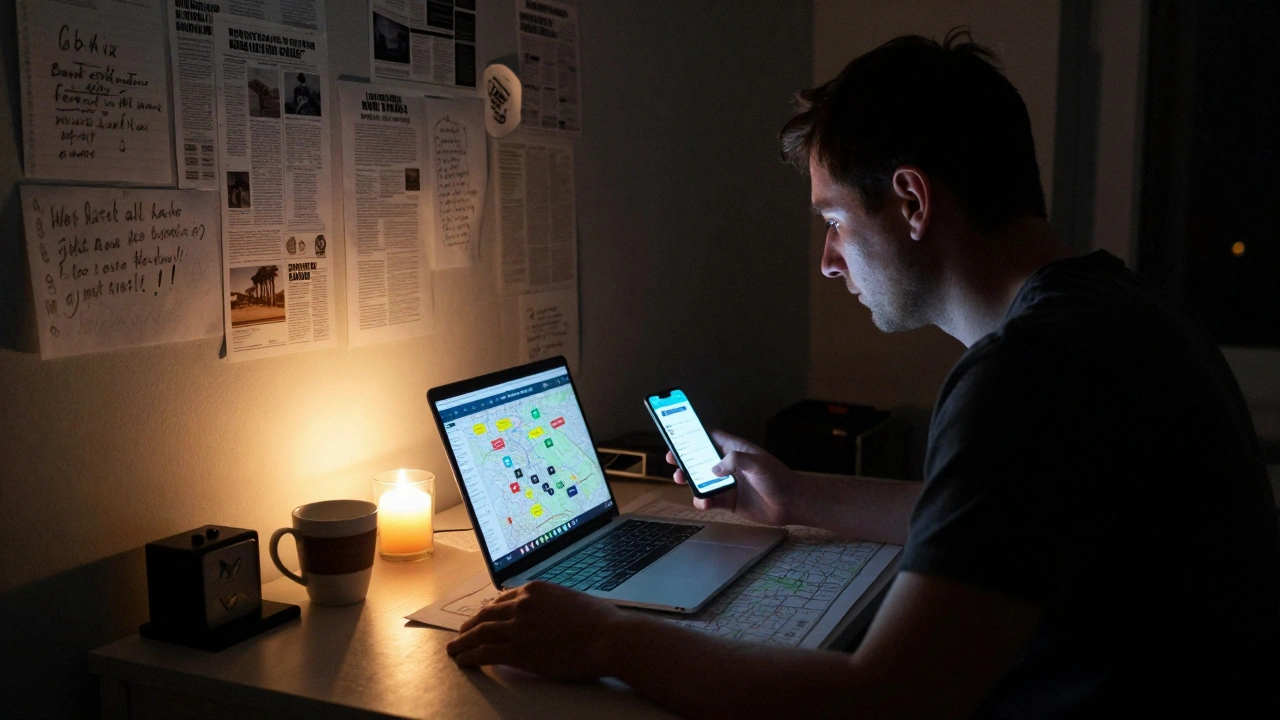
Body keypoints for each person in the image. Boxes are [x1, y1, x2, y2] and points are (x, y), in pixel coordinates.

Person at [447, 30, 1280, 717]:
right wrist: (796, 495)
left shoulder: (1027, 374)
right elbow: (986, 520)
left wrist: (603, 638)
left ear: (912, 202)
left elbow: (881, 701)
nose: (827, 262)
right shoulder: (1118, 312)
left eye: (836, 219)